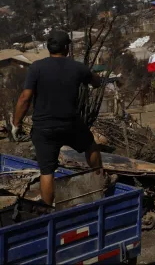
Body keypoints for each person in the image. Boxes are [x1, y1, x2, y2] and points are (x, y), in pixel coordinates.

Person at [11, 30, 103, 205]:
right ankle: (99, 181)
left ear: (48, 47)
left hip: (44, 128)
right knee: (91, 147)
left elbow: (25, 98)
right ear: (66, 48)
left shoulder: (36, 68)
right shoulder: (77, 67)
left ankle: (49, 211)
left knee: (47, 171)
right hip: (70, 124)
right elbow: (96, 81)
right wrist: (92, 81)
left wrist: (16, 124)